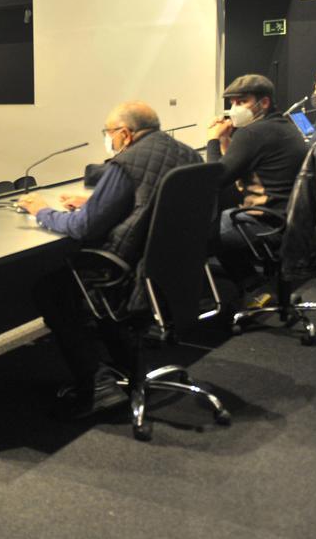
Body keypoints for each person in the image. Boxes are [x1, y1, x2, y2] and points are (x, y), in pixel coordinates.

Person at [17, 101, 201, 419]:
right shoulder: (187, 154)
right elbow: (153, 198)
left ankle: (99, 385)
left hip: (127, 269)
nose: (108, 138)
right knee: (78, 288)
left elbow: (82, 227)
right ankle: (122, 363)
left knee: (51, 289)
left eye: (109, 132)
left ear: (126, 134)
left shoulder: (126, 162)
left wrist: (40, 211)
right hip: (169, 266)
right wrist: (96, 201)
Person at [205, 75, 309, 289]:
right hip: (292, 218)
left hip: (265, 221)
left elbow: (214, 179)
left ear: (264, 103)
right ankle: (249, 282)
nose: (234, 108)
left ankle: (218, 295)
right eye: (232, 103)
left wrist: (213, 140)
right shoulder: (285, 125)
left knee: (196, 233)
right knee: (222, 217)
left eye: (241, 102)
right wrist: (227, 142)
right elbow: (243, 166)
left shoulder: (252, 133)